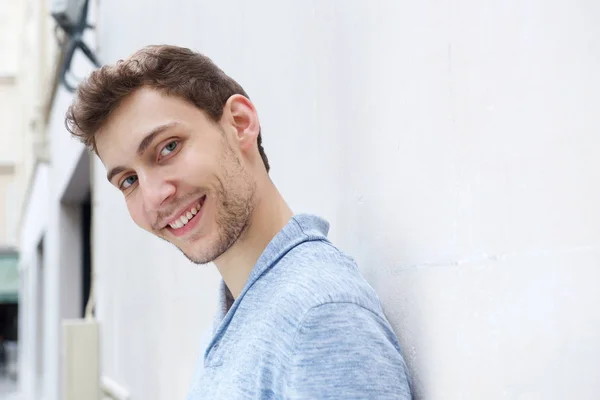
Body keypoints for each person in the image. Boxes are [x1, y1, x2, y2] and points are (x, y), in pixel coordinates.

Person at [65, 45, 412, 399]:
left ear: (240, 124)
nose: (154, 196)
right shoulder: (240, 309)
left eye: (168, 147)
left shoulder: (319, 318)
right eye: (129, 181)